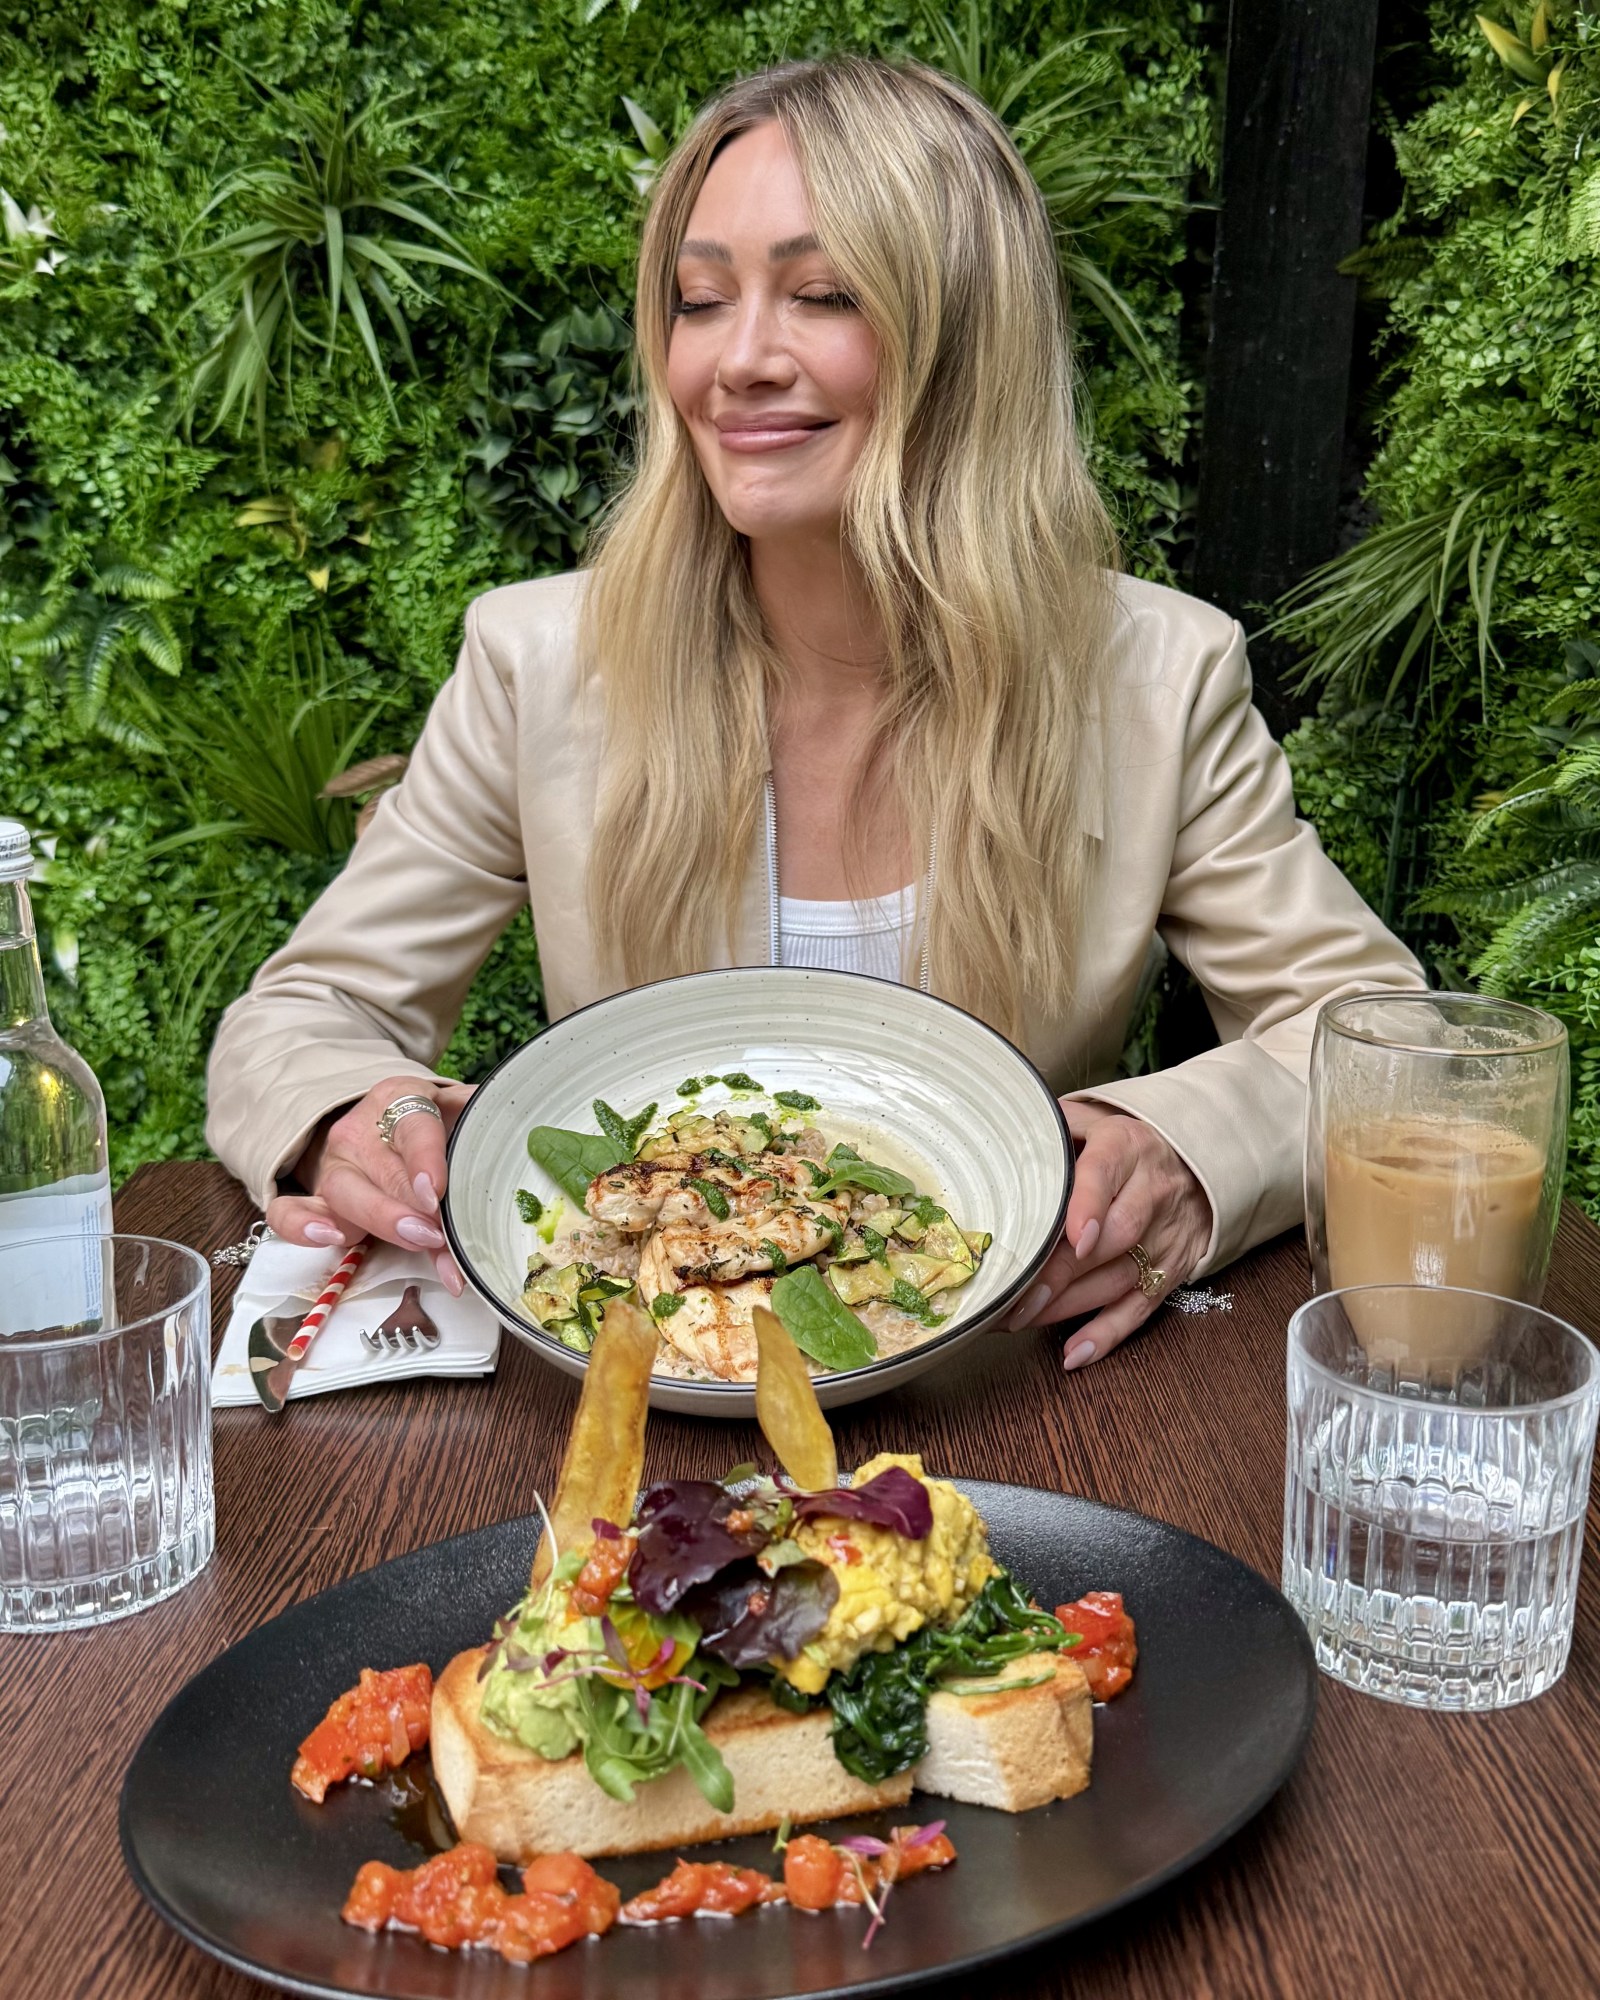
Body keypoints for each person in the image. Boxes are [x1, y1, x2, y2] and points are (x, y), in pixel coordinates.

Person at [205, 56, 1424, 1372]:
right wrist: (351, 1113)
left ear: (965, 338)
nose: (736, 362)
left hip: (1006, 1401)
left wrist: (1192, 1150)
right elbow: (305, 1011)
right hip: (641, 1398)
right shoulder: (536, 659)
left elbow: (1388, 1043)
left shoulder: (1156, 677)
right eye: (700, 299)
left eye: (823, 295)